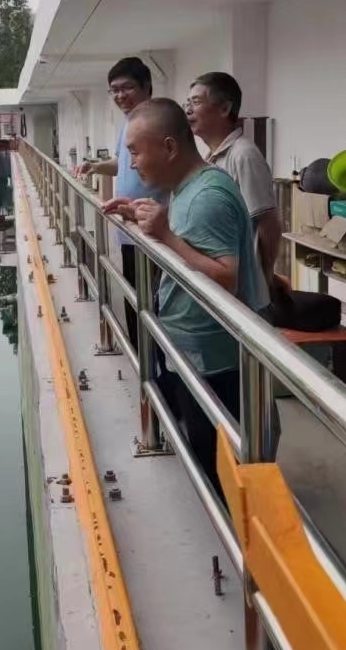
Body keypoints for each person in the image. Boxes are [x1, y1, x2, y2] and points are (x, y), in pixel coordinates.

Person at [103, 98, 267, 497]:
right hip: (193, 350)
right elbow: (192, 247)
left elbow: (225, 278)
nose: (132, 164)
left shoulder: (207, 196)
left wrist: (166, 236)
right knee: (202, 449)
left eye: (136, 152)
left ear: (169, 147)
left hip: (214, 360)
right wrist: (144, 219)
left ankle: (230, 530)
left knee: (221, 468)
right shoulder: (187, 188)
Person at [75, 57, 165, 351]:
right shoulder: (128, 125)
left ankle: (153, 367)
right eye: (114, 90)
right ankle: (142, 364)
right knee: (135, 302)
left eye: (127, 88)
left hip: (153, 232)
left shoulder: (157, 124)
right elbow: (121, 163)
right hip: (129, 231)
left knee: (154, 307)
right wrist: (95, 166)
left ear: (147, 87)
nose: (120, 95)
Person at [186, 72, 281, 309]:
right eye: (187, 103)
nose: (188, 110)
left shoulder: (243, 155)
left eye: (196, 102)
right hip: (226, 285)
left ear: (224, 108)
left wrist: (266, 278)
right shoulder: (211, 157)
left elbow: (268, 224)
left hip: (246, 291)